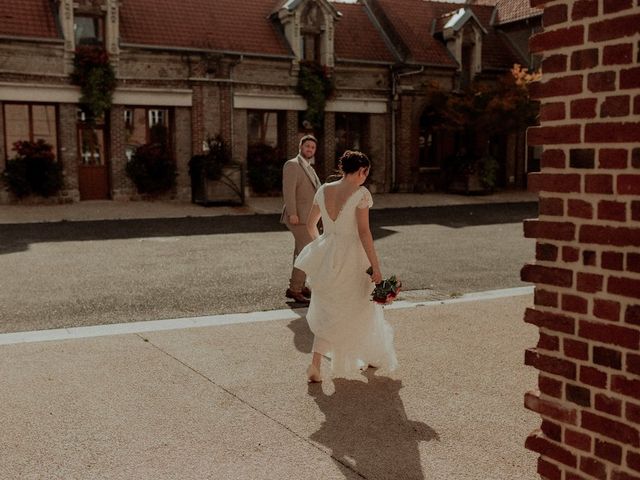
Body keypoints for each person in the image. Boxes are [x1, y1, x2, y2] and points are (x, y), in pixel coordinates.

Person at [294, 150, 398, 382]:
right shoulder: (361, 194)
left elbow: (311, 225)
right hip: (353, 256)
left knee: (328, 309)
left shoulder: (323, 190)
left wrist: (322, 247)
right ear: (361, 171)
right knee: (361, 304)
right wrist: (376, 266)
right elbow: (364, 232)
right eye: (365, 174)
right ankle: (369, 353)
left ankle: (316, 364)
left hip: (329, 254)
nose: (365, 178)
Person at [281, 134, 321, 304]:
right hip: (297, 217)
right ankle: (295, 289)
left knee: (301, 252)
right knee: (307, 251)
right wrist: (292, 213)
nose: (309, 149)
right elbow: (288, 191)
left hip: (308, 217)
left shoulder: (310, 168)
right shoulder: (292, 165)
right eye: (307, 146)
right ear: (300, 147)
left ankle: (298, 285)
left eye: (312, 147)